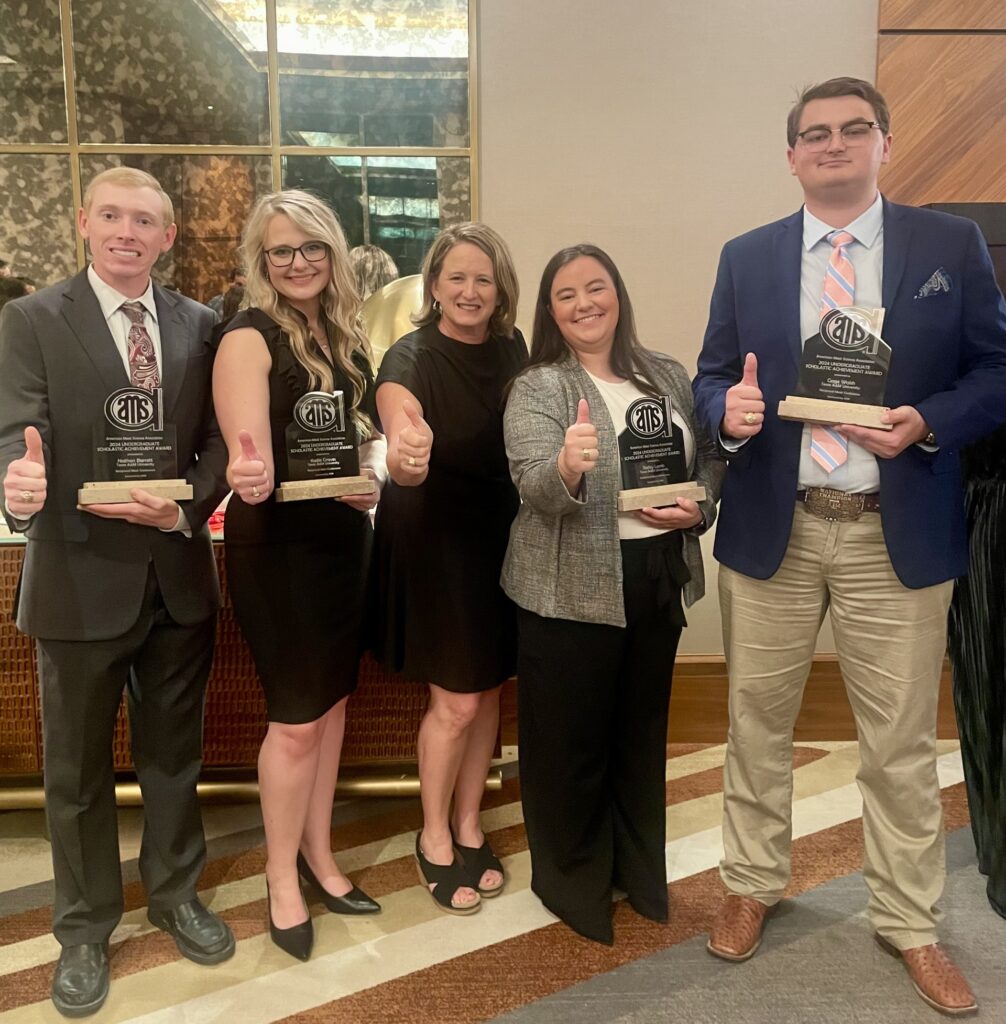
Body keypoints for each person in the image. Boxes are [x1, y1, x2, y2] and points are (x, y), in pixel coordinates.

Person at [692, 77, 1006, 1015]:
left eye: (852, 130)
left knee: (901, 745)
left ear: (884, 142)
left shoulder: (947, 246)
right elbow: (711, 376)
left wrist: (928, 421)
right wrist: (728, 413)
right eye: (813, 134)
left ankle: (910, 922)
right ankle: (751, 885)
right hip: (774, 529)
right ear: (790, 155)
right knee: (756, 729)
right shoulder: (747, 258)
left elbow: (999, 368)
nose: (833, 145)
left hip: (894, 532)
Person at [0, 167, 233, 1018]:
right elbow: (12, 435)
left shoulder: (203, 325)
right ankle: (84, 929)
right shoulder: (29, 319)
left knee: (175, 760)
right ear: (83, 223)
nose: (127, 231)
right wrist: (15, 482)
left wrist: (186, 512)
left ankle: (175, 897)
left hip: (175, 575)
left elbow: (212, 442)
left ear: (168, 237)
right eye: (112, 216)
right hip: (76, 576)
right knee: (75, 773)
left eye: (145, 220)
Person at [502, 244, 722, 944]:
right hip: (567, 587)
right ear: (551, 311)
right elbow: (533, 484)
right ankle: (574, 880)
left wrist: (702, 504)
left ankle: (637, 869)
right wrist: (567, 465)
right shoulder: (538, 386)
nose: (584, 303)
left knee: (638, 733)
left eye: (595, 287)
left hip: (655, 576)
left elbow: (710, 458)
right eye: (566, 294)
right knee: (570, 744)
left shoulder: (666, 373)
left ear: (618, 294)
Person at [211, 190, 384, 961]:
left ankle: (320, 854)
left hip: (344, 544)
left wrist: (374, 471)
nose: (299, 261)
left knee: (334, 706)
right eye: (282, 250)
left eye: (312, 247)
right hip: (277, 550)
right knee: (295, 720)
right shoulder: (246, 337)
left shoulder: (343, 334)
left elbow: (365, 434)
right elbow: (255, 465)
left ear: (333, 253)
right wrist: (259, 472)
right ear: (261, 260)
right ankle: (282, 875)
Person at [370, 222, 525, 915]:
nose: (469, 291)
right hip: (436, 540)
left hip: (503, 536)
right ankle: (433, 834)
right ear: (433, 286)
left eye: (482, 280)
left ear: (500, 292)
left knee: (490, 690)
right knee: (457, 701)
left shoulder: (513, 349)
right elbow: (398, 413)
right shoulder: (411, 356)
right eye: (455, 277)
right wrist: (406, 444)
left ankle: (469, 822)